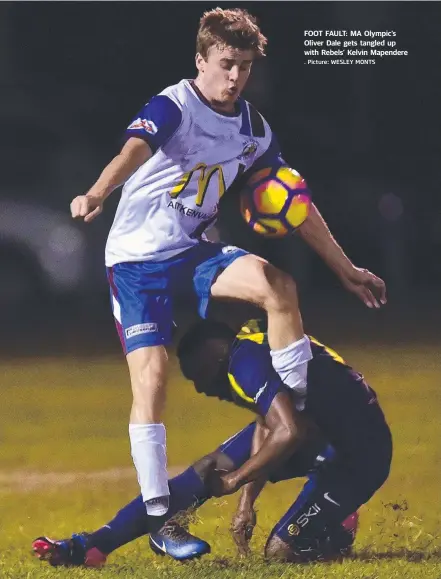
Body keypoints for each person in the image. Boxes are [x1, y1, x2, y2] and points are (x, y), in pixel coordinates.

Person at [70, 7, 386, 517]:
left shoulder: (253, 130)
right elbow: (133, 148)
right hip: (136, 261)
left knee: (277, 286)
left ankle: (304, 407)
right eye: (226, 63)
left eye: (244, 65)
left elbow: (296, 205)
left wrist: (345, 269)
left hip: (192, 251)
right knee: (151, 380)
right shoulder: (175, 105)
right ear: (202, 59)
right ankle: (157, 513)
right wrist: (98, 192)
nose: (236, 76)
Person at [33, 319, 392, 567]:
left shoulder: (244, 362)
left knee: (282, 552)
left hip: (359, 453)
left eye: (194, 375)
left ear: (211, 355)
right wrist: (245, 501)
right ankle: (96, 544)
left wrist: (236, 482)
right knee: (208, 468)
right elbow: (268, 425)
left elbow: (288, 431)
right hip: (319, 434)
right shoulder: (246, 355)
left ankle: (336, 522)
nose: (201, 388)